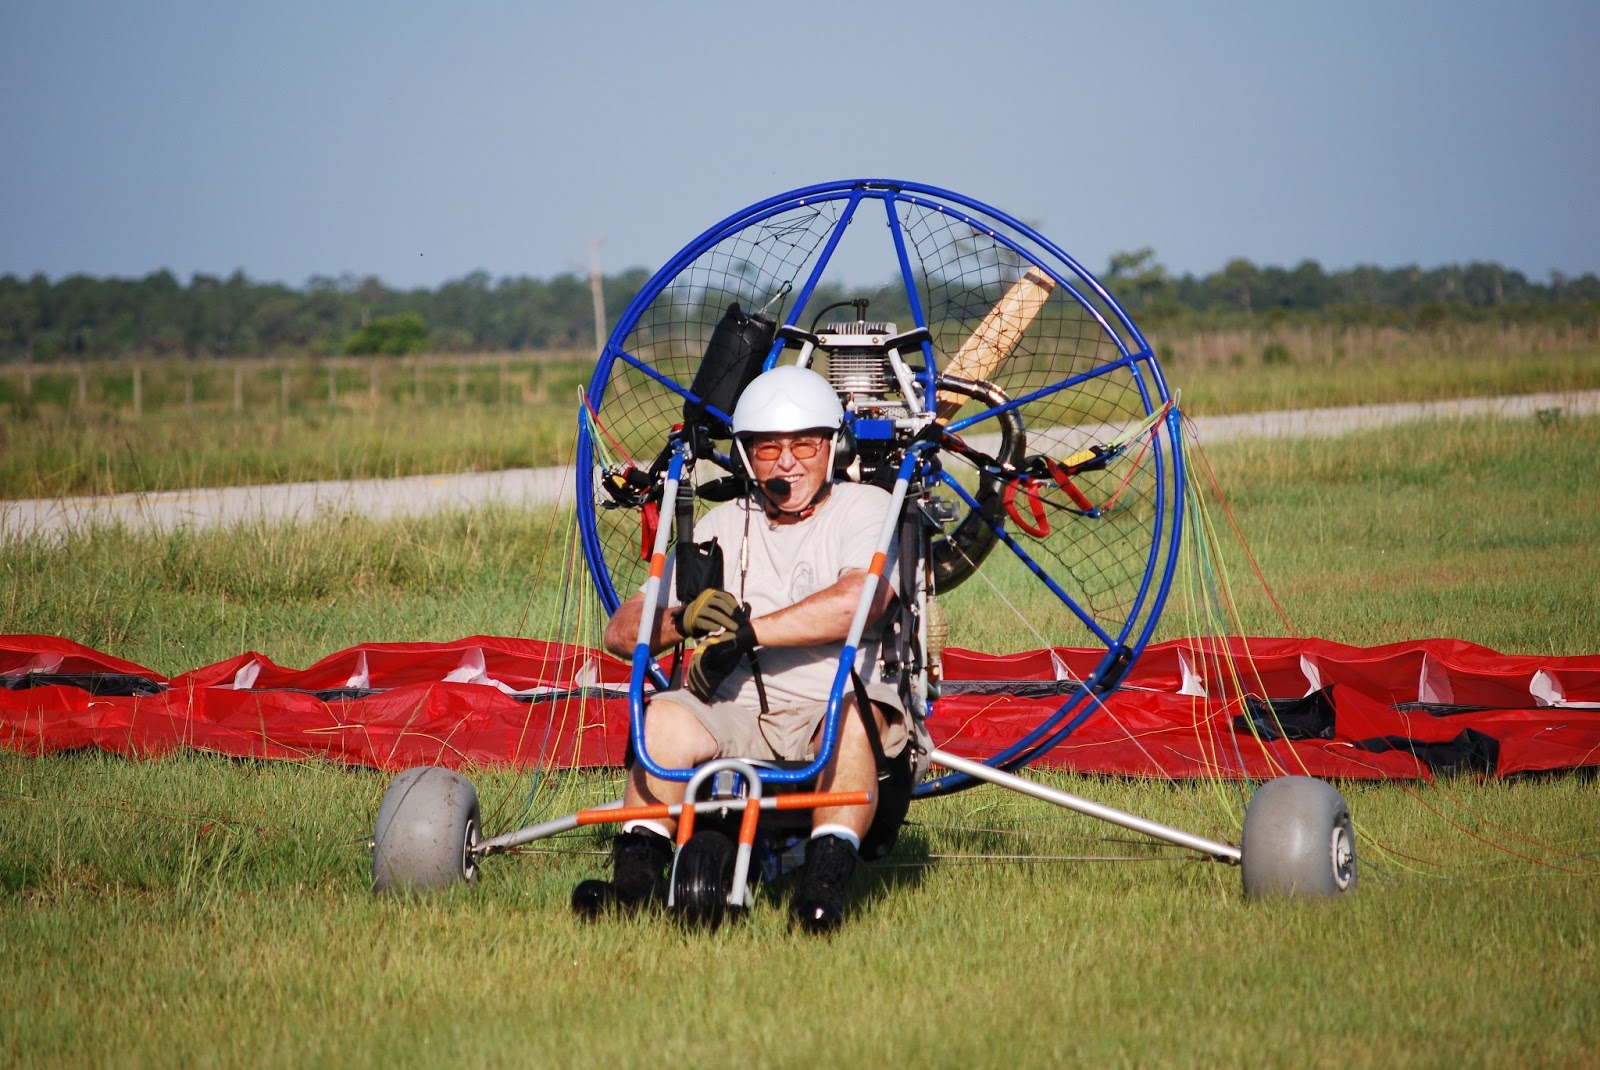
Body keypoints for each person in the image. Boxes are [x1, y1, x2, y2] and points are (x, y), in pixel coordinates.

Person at [573, 365, 912, 934]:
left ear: (833, 447)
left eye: (803, 444)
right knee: (664, 716)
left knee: (853, 716)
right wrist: (681, 619)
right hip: (733, 712)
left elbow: (862, 601)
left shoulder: (866, 509)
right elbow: (622, 630)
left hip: (829, 707)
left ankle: (823, 887)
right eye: (766, 448)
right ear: (746, 456)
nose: (785, 462)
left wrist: (750, 631)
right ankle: (634, 883)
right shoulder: (724, 522)